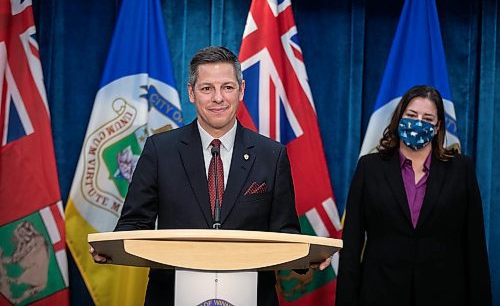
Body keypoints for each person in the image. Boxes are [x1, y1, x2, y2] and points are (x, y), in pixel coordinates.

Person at [90, 46, 331, 306]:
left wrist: (309, 256)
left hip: (251, 295)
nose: (218, 98)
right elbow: (135, 222)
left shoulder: (271, 154)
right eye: (207, 88)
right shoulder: (160, 150)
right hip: (171, 295)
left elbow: (285, 233)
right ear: (191, 93)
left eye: (227, 87)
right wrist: (111, 247)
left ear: (242, 89)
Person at [336, 85, 492, 306]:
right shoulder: (369, 168)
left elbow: (474, 246)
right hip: (380, 293)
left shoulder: (461, 169)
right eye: (411, 115)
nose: (418, 122)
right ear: (399, 118)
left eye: (428, 118)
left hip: (444, 295)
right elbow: (351, 244)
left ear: (438, 127)